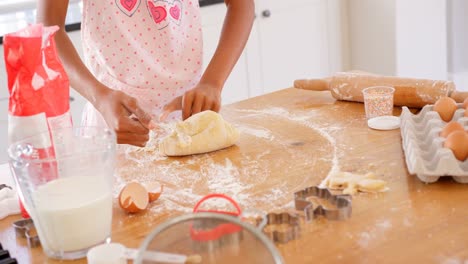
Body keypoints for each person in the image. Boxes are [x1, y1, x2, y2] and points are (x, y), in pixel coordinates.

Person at [36, 0, 254, 147]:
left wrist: (212, 83)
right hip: (114, 124)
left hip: (191, 116)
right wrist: (99, 96)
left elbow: (242, 5)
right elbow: (48, 27)